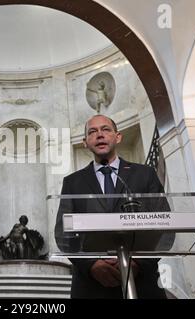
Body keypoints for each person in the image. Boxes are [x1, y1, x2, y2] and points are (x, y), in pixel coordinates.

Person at [55, 115, 167, 299]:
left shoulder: (145, 174)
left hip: (142, 284)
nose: (99, 135)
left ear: (118, 137)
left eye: (106, 129)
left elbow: (164, 223)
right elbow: (63, 233)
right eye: (92, 132)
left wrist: (137, 263)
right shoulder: (72, 182)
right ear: (85, 142)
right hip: (90, 287)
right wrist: (92, 265)